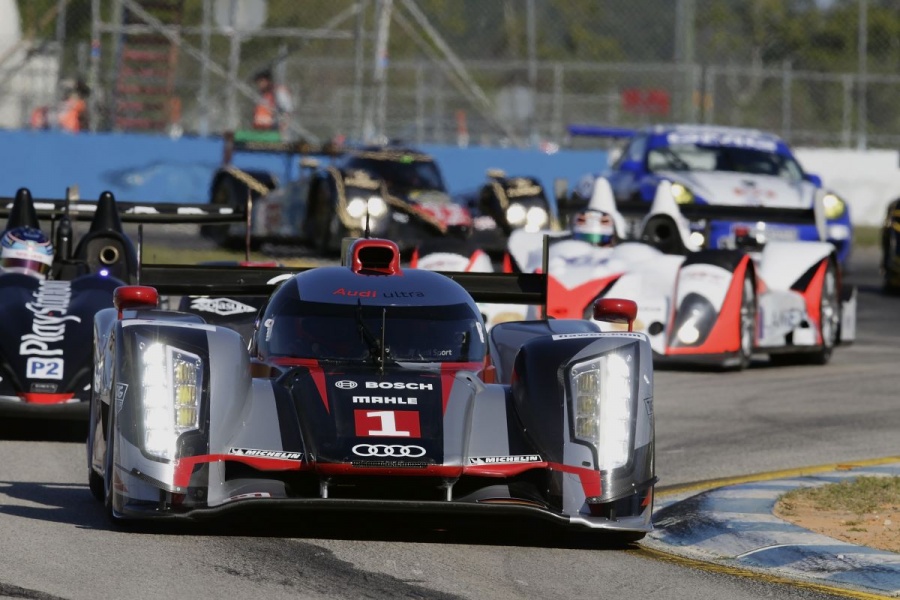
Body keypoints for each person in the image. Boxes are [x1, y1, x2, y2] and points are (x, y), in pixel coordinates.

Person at [252, 68, 294, 136]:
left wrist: (283, 126)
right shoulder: (262, 94)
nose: (259, 84)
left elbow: (287, 111)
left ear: (267, 81)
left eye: (260, 81)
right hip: (262, 130)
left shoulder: (279, 92)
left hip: (276, 129)